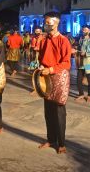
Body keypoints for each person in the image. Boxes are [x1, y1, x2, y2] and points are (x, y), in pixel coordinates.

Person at [37, 12, 71, 154]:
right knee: (48, 111)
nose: (46, 24)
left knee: (59, 111)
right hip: (46, 75)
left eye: (48, 22)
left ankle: (61, 143)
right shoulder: (44, 40)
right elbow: (41, 57)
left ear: (56, 23)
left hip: (59, 76)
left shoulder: (63, 40)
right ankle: (51, 139)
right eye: (45, 22)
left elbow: (66, 63)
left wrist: (51, 69)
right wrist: (41, 66)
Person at [73, 25, 90, 102]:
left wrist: (86, 53)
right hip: (80, 61)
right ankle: (81, 94)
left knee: (89, 80)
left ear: (89, 31)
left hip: (88, 62)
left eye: (86, 30)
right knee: (78, 80)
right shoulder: (80, 40)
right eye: (83, 30)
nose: (84, 31)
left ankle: (89, 95)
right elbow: (79, 48)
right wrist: (76, 50)